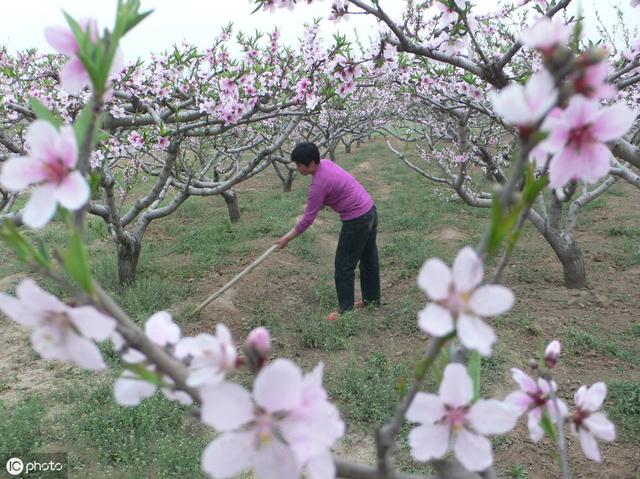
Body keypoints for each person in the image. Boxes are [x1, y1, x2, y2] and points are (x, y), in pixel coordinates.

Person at [275, 142, 380, 321]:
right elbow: (336, 188)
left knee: (344, 265)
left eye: (301, 164)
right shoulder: (327, 164)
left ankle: (345, 310)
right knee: (368, 259)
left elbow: (307, 220)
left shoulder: (318, 186)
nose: (298, 168)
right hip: (370, 210)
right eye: (297, 164)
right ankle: (372, 300)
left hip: (357, 221)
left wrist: (286, 239)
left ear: (312, 163)